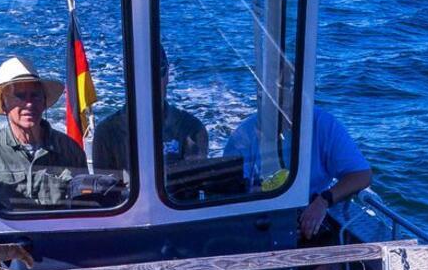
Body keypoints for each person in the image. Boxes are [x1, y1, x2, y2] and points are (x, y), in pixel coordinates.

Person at [224, 103, 372, 245]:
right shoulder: (243, 136)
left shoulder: (323, 124)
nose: (286, 109)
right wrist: (254, 199)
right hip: (258, 219)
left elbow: (362, 175)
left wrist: (323, 201)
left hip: (308, 213)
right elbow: (230, 195)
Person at [0, 57, 87, 208]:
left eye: (35, 95)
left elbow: (84, 208)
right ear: (4, 104)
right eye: (20, 96)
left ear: (44, 101)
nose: (29, 104)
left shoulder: (70, 150)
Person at [90, 45, 207, 174]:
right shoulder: (106, 133)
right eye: (141, 73)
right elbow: (106, 190)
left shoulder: (193, 129)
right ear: (129, 79)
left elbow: (195, 184)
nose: (151, 81)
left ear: (167, 75)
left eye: (159, 71)